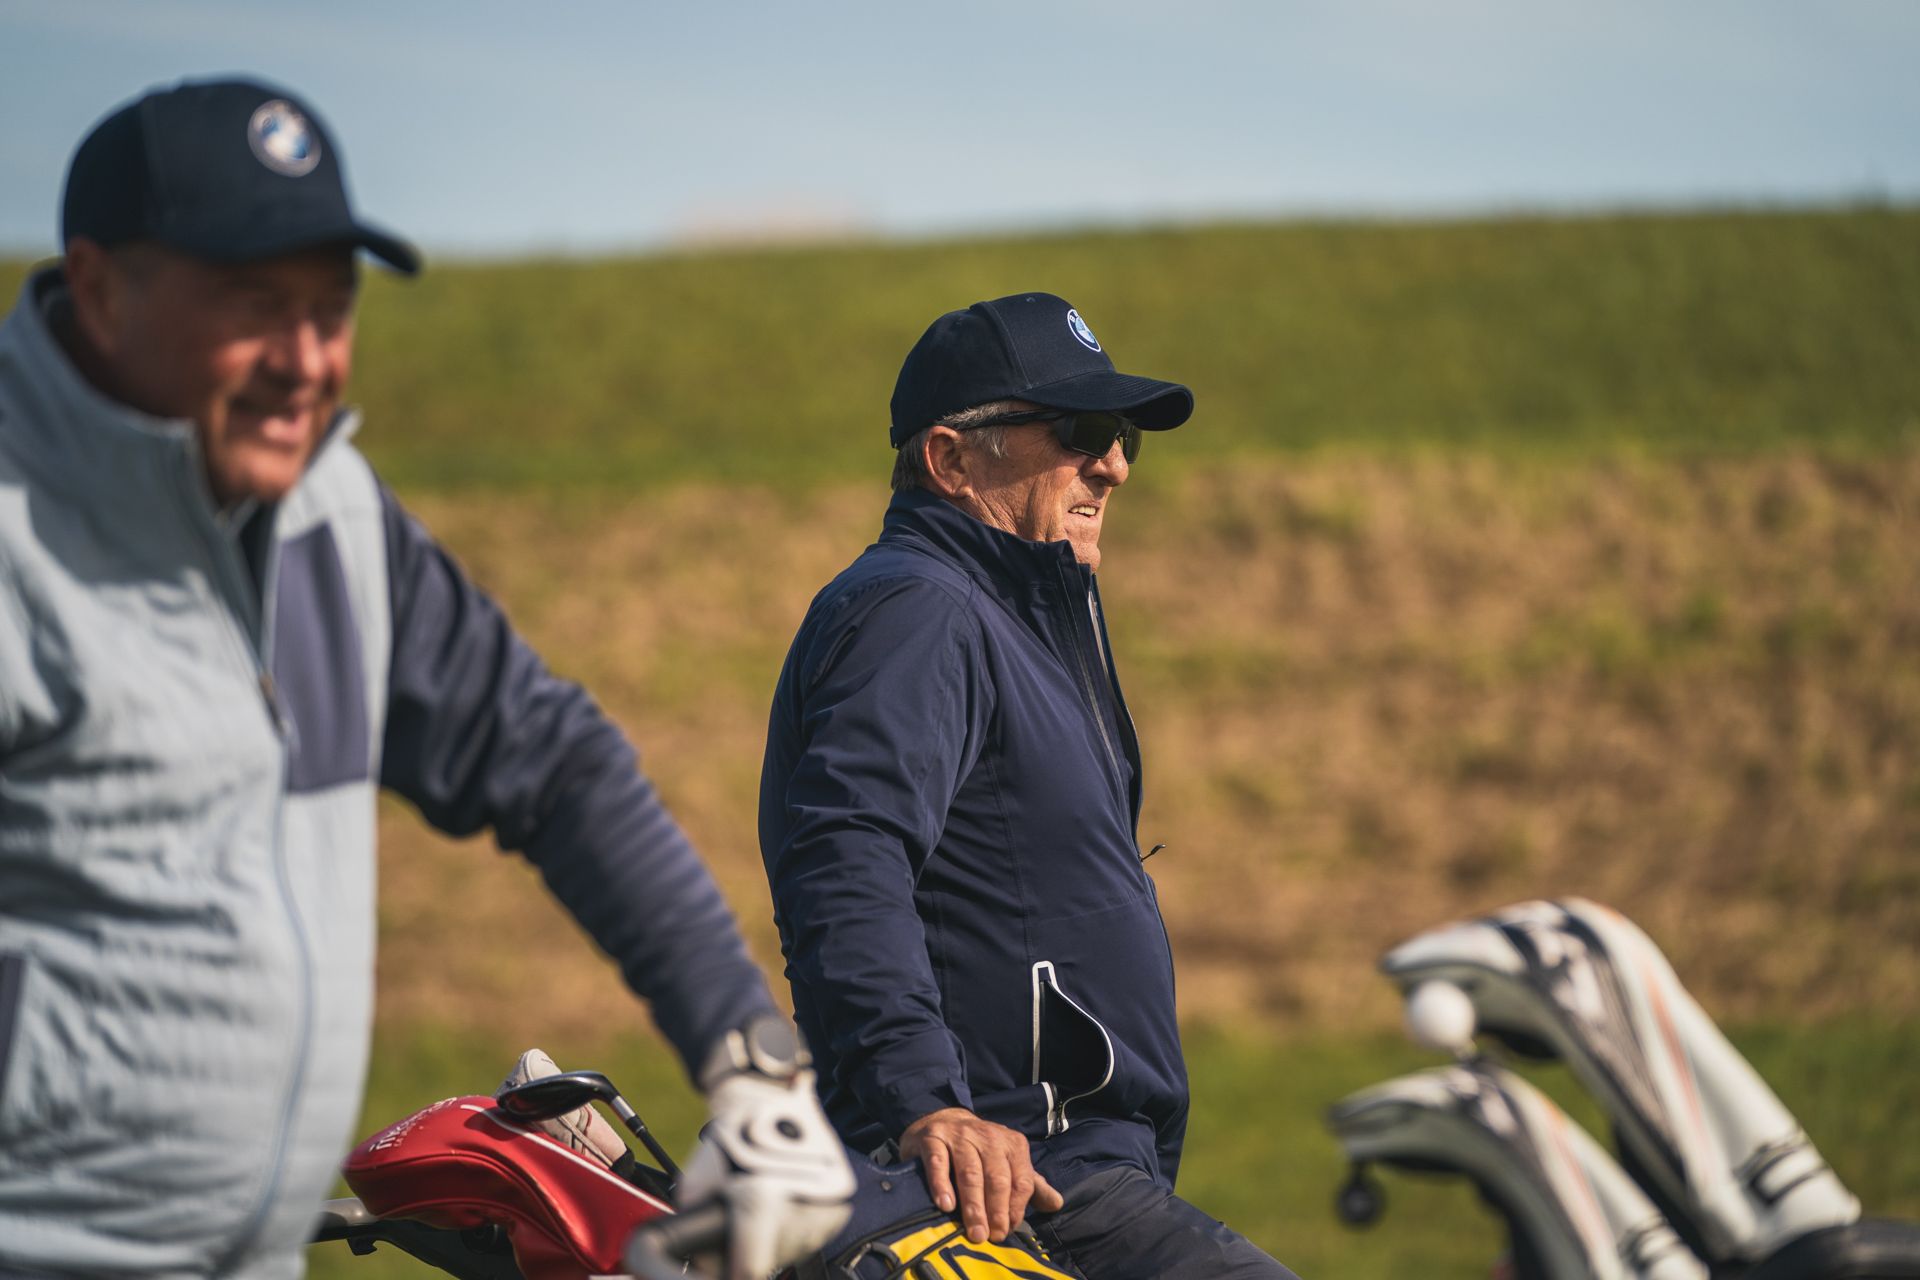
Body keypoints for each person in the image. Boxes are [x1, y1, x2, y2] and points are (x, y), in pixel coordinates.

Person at [0, 78, 849, 1279]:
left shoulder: (331, 517)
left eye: (331, 306)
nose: (306, 359)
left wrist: (753, 1068)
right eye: (254, 304)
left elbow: (554, 763)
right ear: (98, 289)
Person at [758, 293, 1301, 1279]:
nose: (1115, 463)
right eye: (1080, 431)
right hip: (1005, 1177)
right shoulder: (921, 609)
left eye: (1123, 434)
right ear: (950, 460)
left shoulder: (1007, 615)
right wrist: (927, 1102)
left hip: (1054, 1169)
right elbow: (847, 856)